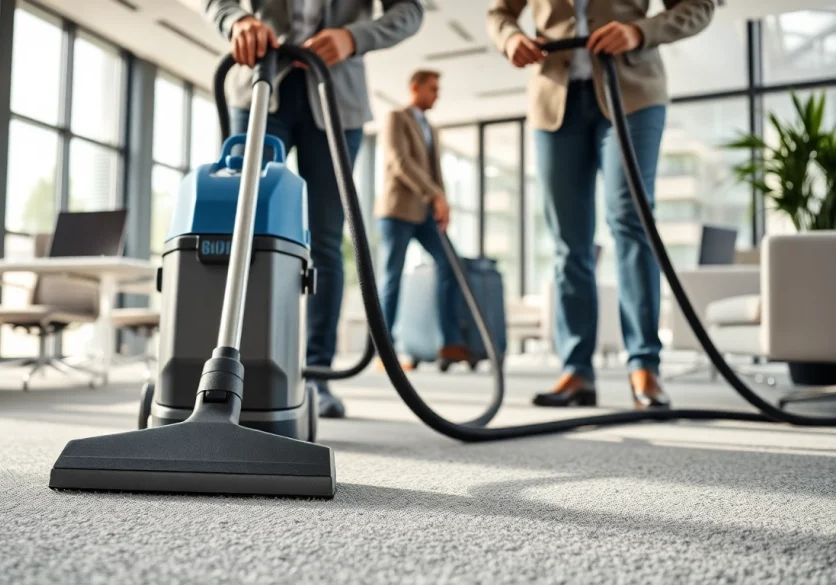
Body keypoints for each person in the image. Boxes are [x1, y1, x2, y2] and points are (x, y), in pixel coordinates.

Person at [486, 0, 715, 409]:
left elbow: (699, 6)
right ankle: (576, 370)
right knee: (567, 240)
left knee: (631, 221)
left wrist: (640, 31)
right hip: (555, 99)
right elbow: (499, 13)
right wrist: (511, 38)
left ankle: (644, 365)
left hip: (631, 91)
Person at [204, 0, 424, 418]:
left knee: (325, 240)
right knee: (243, 231)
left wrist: (354, 37)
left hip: (335, 93)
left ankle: (317, 374)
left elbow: (410, 11)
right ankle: (234, 371)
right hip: (260, 82)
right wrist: (236, 19)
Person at [376, 69, 473, 370]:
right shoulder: (397, 118)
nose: (437, 94)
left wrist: (441, 201)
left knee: (452, 266)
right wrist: (434, 194)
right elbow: (399, 161)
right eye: (432, 89)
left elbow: (435, 172)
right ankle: (384, 350)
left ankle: (450, 343)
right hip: (398, 211)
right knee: (392, 278)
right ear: (415, 87)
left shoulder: (432, 128)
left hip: (426, 213)